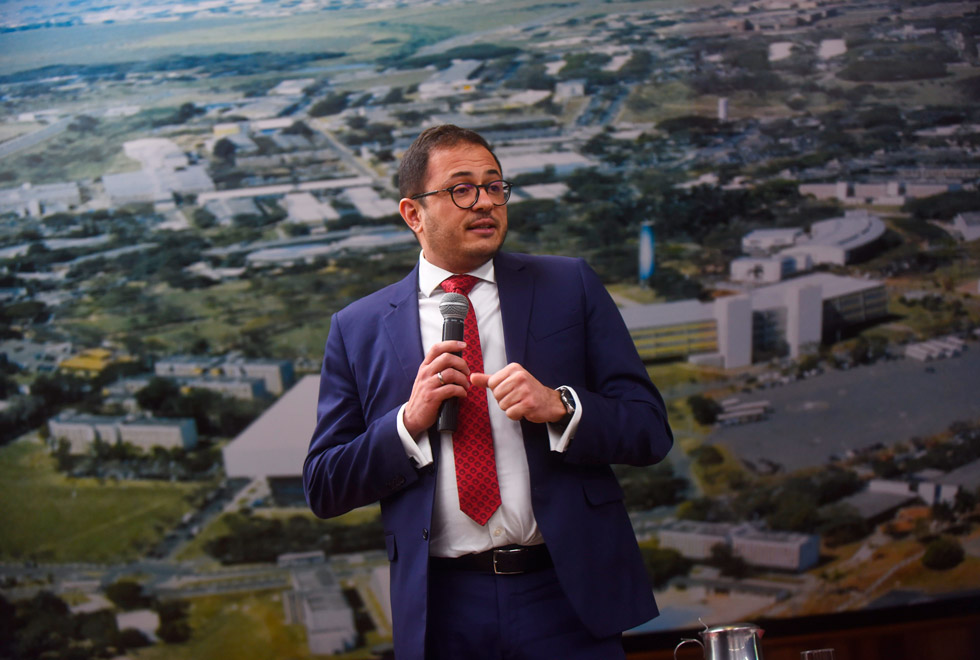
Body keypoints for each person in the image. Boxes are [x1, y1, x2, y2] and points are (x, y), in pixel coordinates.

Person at [303, 124, 673, 660]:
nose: (484, 203)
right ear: (413, 214)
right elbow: (324, 485)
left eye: (495, 186)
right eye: (462, 189)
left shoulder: (569, 286)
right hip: (444, 605)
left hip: (566, 593)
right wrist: (407, 424)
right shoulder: (358, 327)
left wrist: (562, 407)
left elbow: (649, 430)